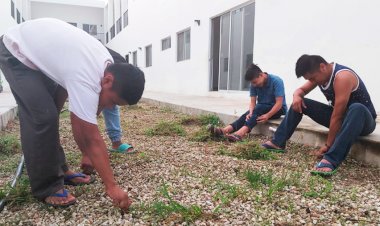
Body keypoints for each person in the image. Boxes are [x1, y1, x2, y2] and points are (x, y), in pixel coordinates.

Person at [0, 18, 145, 209]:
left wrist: (85, 152)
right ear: (108, 81)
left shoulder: (104, 64)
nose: (109, 107)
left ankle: (60, 169)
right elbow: (89, 135)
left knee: (49, 114)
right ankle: (47, 187)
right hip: (15, 50)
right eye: (113, 102)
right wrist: (112, 186)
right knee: (43, 118)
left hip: (38, 50)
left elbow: (65, 89)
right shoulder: (86, 75)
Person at [262, 54, 377, 176]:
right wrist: (296, 96)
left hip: (363, 122)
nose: (312, 82)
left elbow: (337, 116)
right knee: (301, 102)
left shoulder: (342, 77)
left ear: (322, 67)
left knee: (356, 108)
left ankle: (331, 159)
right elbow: (300, 91)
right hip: (343, 118)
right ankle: (278, 142)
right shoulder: (321, 75)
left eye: (312, 78)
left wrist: (328, 145)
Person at [80, 47, 136, 175]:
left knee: (110, 105)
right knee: (88, 111)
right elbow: (82, 114)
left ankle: (116, 142)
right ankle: (88, 150)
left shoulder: (120, 66)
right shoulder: (91, 72)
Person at [209, 63, 287, 142]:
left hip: (278, 109)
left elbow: (279, 104)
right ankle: (225, 131)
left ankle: (239, 134)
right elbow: (252, 102)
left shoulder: (277, 81)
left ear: (261, 75)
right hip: (261, 109)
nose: (254, 85)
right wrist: (250, 112)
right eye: (252, 83)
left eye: (255, 82)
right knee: (248, 114)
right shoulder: (254, 84)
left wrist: (268, 115)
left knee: (258, 108)